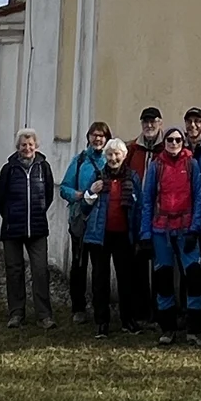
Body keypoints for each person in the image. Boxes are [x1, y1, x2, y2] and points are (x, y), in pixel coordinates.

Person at [141, 124, 201, 346]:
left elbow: (199, 197)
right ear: (165, 143)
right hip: (161, 230)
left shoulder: (192, 164)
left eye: (177, 140)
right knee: (163, 280)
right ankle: (168, 328)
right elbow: (147, 200)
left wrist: (195, 229)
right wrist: (145, 235)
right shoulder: (156, 166)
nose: (173, 143)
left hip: (186, 230)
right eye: (170, 140)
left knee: (195, 277)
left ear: (183, 143)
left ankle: (194, 330)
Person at [0, 127, 56, 329]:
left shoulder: (43, 167)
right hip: (13, 228)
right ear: (18, 147)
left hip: (37, 229)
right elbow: (0, 197)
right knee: (14, 271)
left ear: (36, 146)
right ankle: (16, 313)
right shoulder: (9, 168)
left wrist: (37, 212)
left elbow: (48, 195)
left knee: (40, 271)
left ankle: (44, 315)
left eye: (30, 144)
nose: (27, 148)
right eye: (23, 144)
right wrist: (11, 215)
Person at [82, 136, 142, 337]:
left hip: (124, 235)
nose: (113, 158)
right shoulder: (98, 176)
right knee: (100, 279)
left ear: (124, 156)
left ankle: (128, 320)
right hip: (100, 236)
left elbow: (139, 206)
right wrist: (91, 191)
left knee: (127, 279)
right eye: (109, 154)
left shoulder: (132, 177)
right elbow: (84, 206)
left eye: (117, 154)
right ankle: (102, 322)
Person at [60, 121, 111, 324]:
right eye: (94, 135)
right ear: (88, 137)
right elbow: (64, 188)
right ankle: (78, 307)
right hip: (81, 221)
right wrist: (78, 194)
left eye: (102, 135)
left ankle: (101, 308)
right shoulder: (80, 160)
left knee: (101, 267)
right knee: (79, 265)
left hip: (102, 223)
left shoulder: (111, 159)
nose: (98, 139)